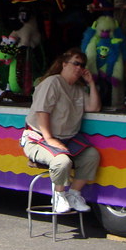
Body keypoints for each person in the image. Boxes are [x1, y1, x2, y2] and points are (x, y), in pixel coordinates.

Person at [20, 47, 102, 214]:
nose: (79, 68)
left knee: (92, 155)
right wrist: (50, 139)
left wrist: (91, 83)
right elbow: (42, 111)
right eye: (76, 63)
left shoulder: (78, 89)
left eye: (82, 65)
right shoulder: (53, 82)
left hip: (67, 139)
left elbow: (94, 107)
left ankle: (74, 194)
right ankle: (58, 196)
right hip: (39, 137)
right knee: (62, 161)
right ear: (64, 64)